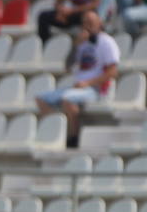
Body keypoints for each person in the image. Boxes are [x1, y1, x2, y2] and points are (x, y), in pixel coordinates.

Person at [36, 11, 120, 148]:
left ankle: (73, 138)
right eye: (85, 23)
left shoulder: (107, 42)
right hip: (77, 87)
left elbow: (112, 72)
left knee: (68, 100)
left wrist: (87, 83)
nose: (87, 26)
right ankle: (56, 130)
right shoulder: (81, 42)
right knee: (41, 99)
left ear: (99, 24)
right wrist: (75, 46)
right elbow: (67, 67)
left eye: (91, 23)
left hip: (95, 88)